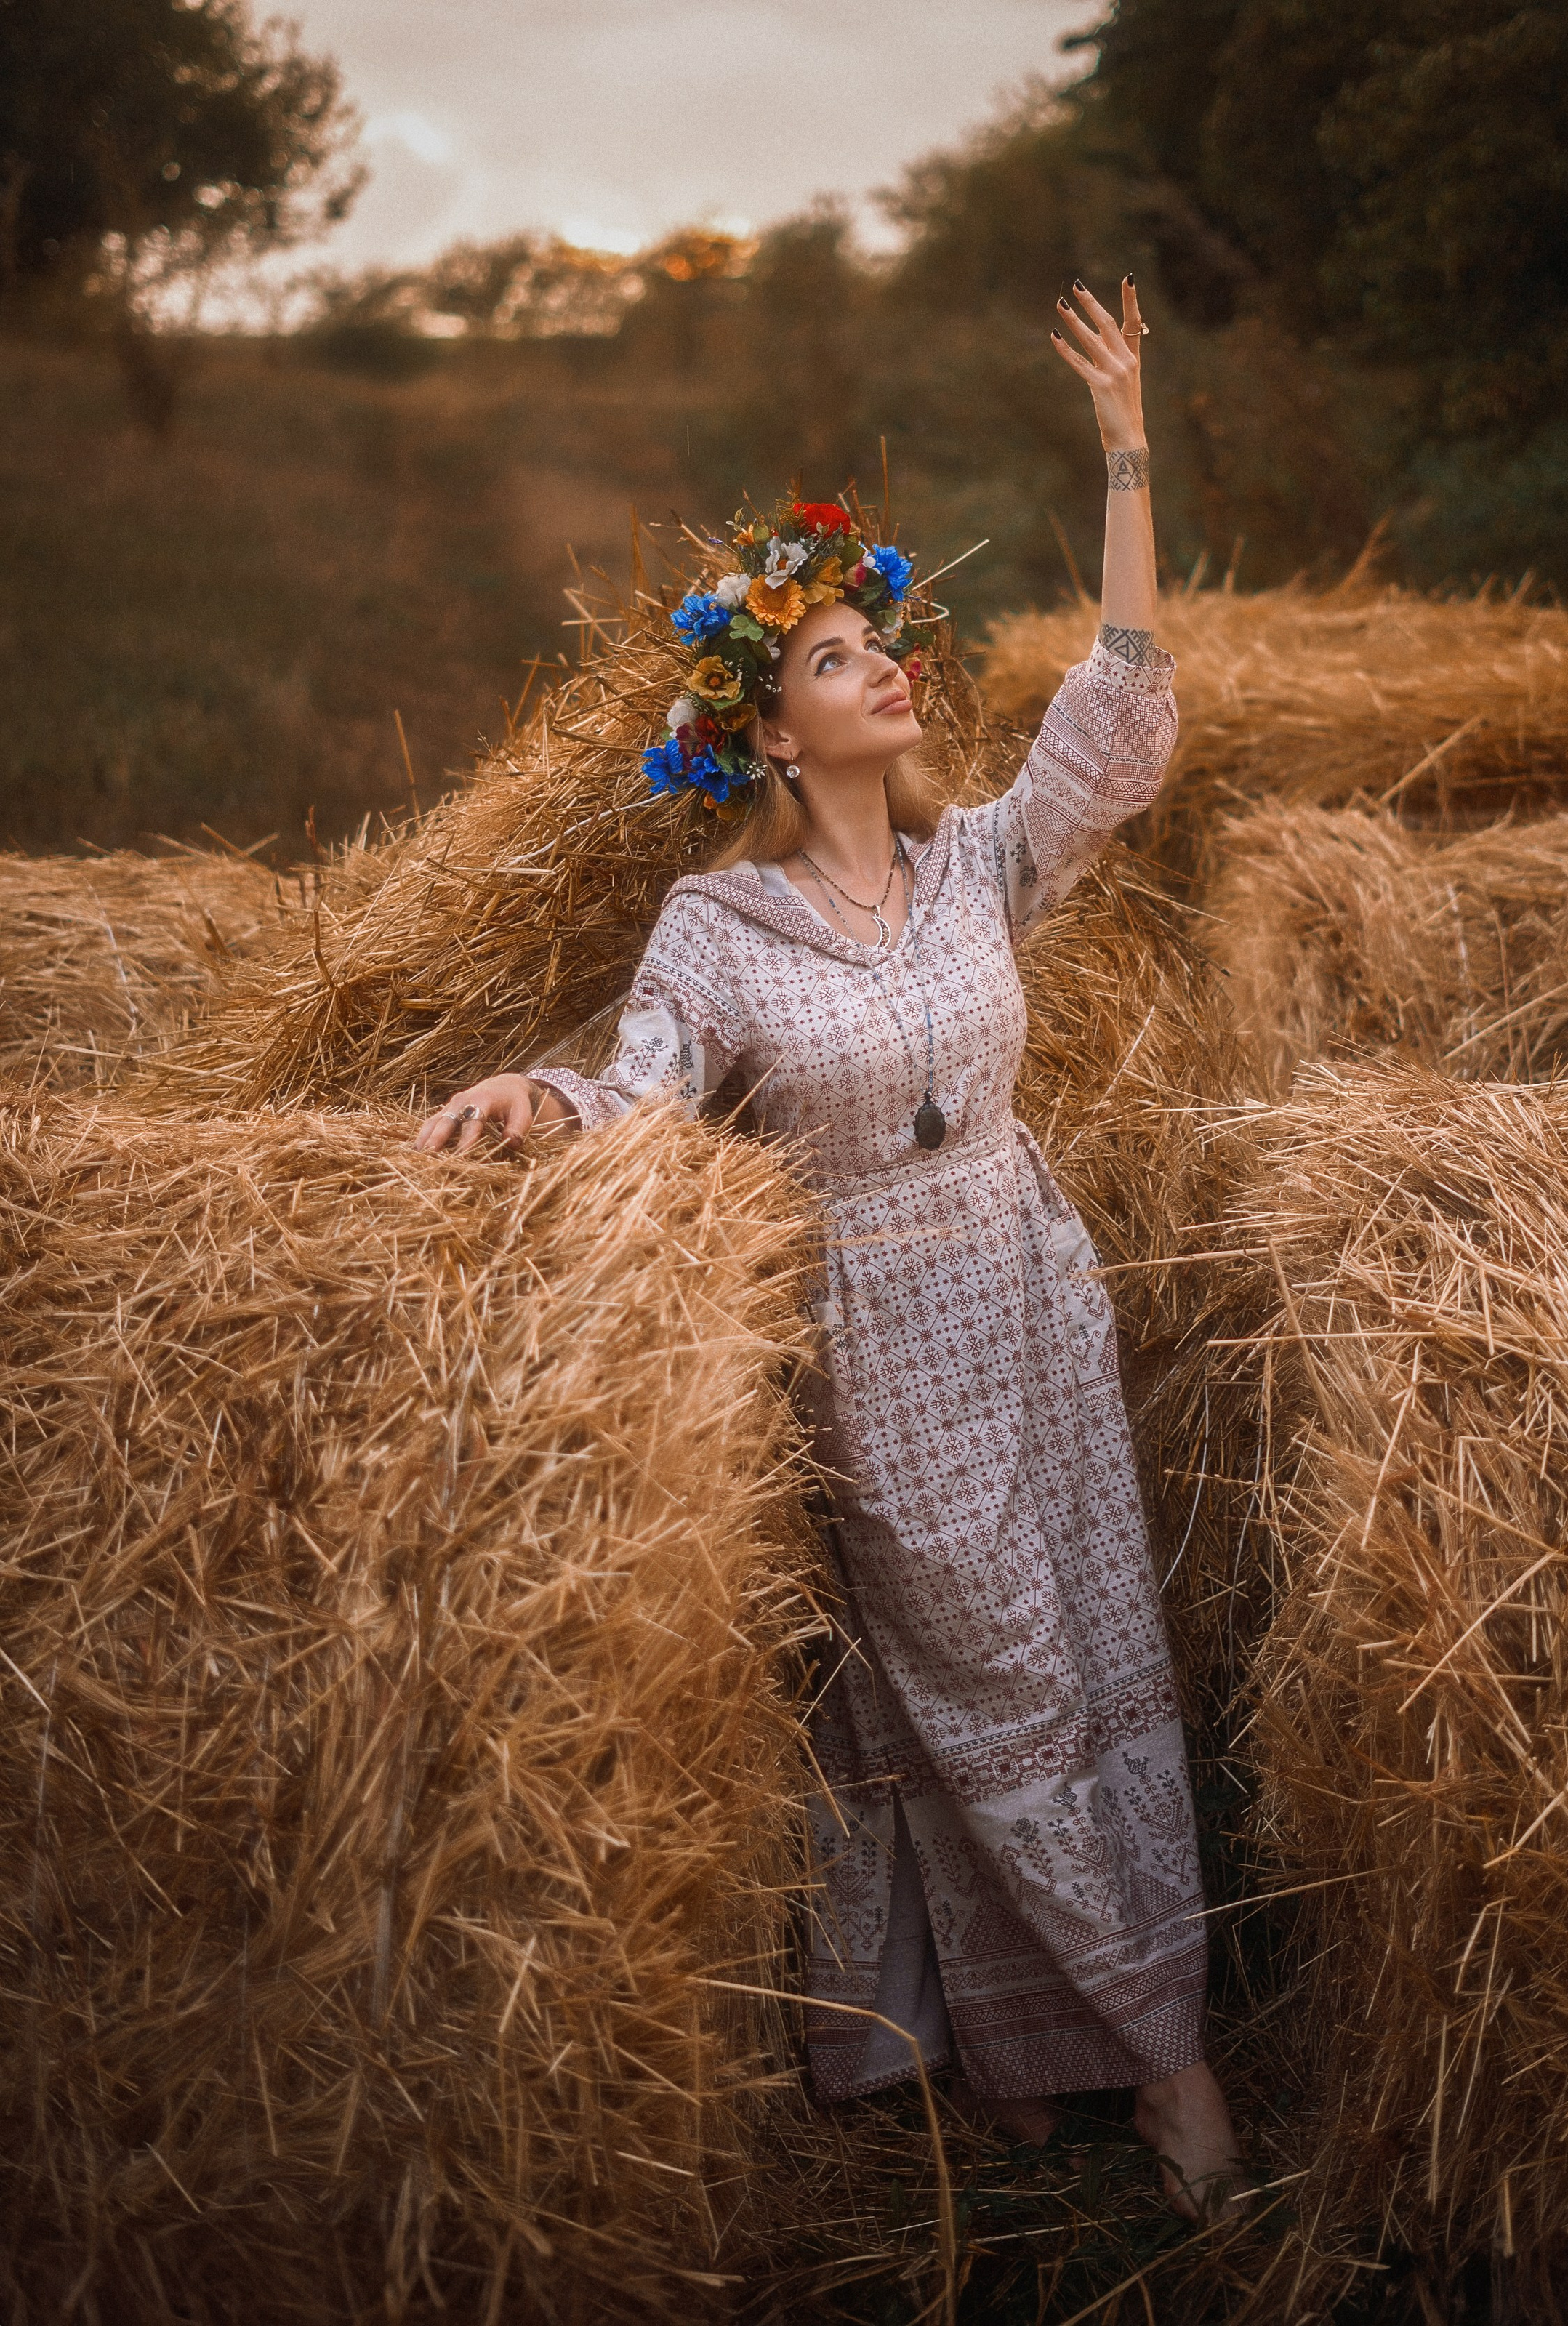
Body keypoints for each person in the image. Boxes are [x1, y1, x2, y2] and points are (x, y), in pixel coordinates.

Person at [415, 278, 1245, 2219]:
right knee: (992, 1693)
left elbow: (1120, 697)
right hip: (875, 1339)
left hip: (1036, 1293)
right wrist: (540, 1100)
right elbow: (638, 1089)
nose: (891, 669)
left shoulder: (981, 867)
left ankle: (1040, 2045)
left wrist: (1127, 444)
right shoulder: (716, 933)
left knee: (1102, 1665)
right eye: (846, 655)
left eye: (888, 646)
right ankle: (1171, 2059)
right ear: (771, 729)